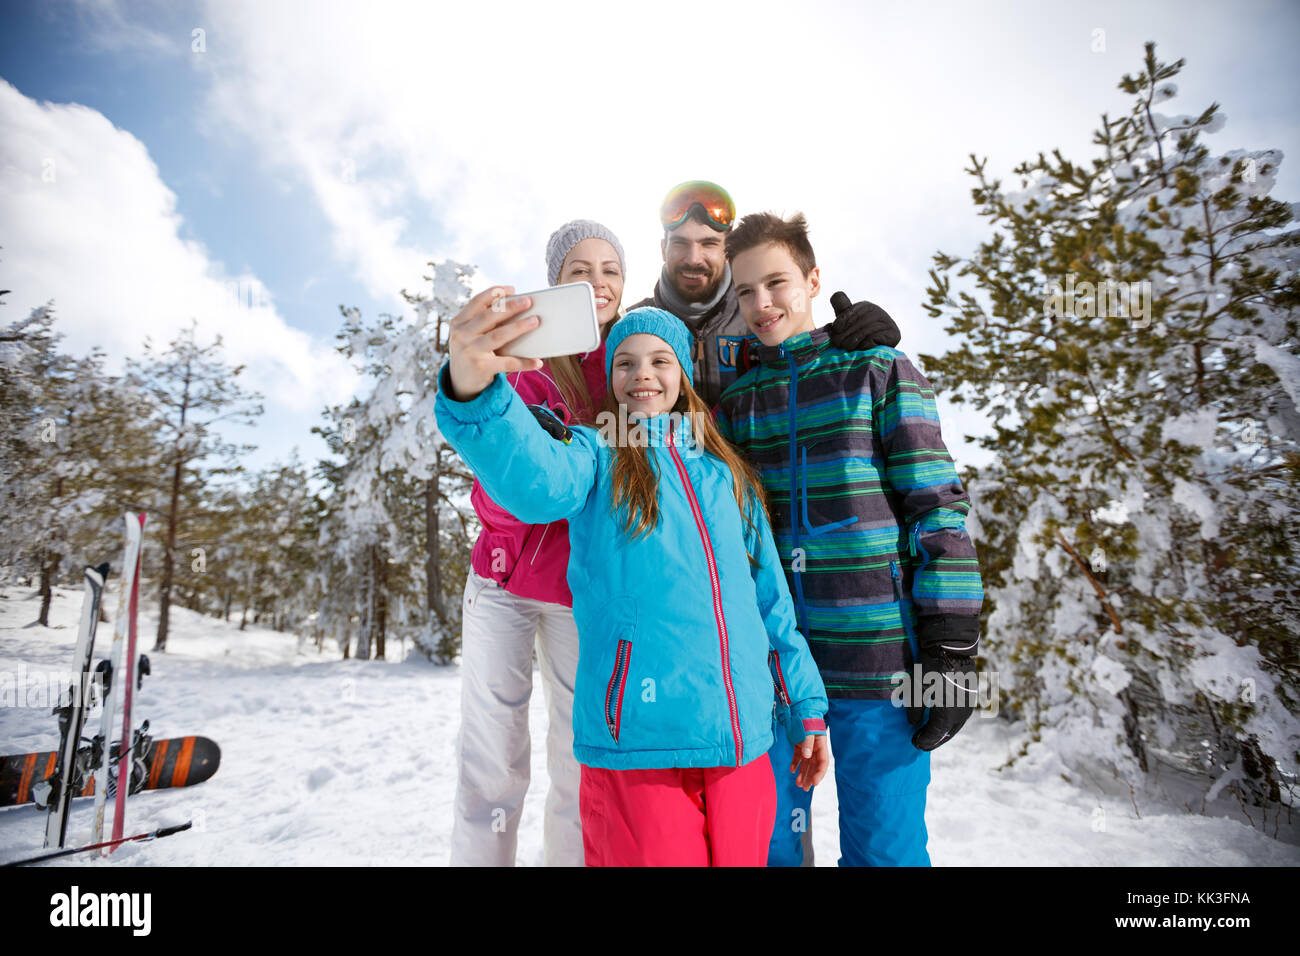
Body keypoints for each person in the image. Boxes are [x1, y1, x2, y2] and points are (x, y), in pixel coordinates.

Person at [436, 301, 831, 866]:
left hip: (740, 745)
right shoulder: (595, 455)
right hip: (639, 747)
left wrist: (804, 708)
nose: (642, 373)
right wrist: (476, 392)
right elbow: (535, 478)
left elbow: (773, 606)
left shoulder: (729, 475)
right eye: (625, 362)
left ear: (684, 376)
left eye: (659, 360)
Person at [716, 211, 985, 867]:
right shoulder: (737, 406)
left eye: (776, 283)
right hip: (778, 674)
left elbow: (938, 508)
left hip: (878, 664)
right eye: (745, 292)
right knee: (770, 851)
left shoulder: (880, 371)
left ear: (813, 279)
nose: (761, 303)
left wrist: (951, 648)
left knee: (885, 854)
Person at [450, 220, 625, 867]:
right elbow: (491, 489)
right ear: (556, 281)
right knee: (492, 761)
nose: (598, 282)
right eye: (581, 269)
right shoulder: (521, 359)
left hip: (579, 589)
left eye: (610, 269)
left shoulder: (629, 362)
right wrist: (526, 457)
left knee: (578, 760)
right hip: (500, 583)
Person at [629, 180, 904, 407]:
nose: (694, 258)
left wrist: (852, 336)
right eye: (680, 244)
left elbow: (804, 356)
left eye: (709, 244)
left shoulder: (762, 315)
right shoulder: (633, 326)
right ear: (663, 248)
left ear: (727, 251)